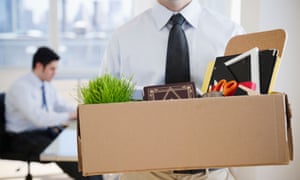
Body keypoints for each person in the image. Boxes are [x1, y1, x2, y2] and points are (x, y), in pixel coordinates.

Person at [99, 0, 245, 179]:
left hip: (211, 171)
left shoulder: (231, 34)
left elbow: (245, 112)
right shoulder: (122, 37)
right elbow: (104, 115)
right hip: (142, 172)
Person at [5, 46, 102, 180]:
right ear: (39, 66)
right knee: (65, 154)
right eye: (52, 69)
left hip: (43, 131)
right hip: (21, 137)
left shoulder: (46, 85)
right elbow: (39, 119)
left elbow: (61, 106)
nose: (54, 73)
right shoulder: (21, 88)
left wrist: (81, 111)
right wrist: (71, 116)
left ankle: (96, 175)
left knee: (78, 145)